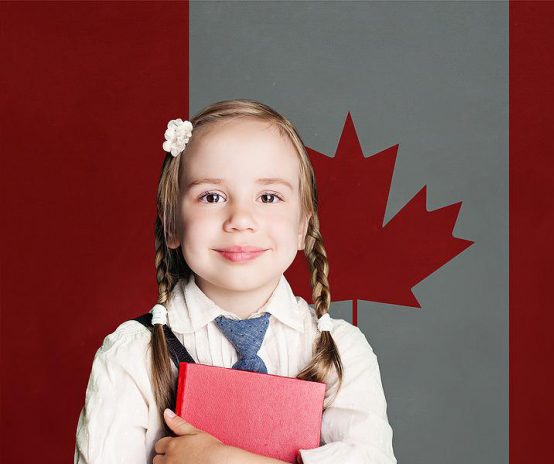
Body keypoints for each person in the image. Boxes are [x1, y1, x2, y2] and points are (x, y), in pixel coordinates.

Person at [73, 99, 397, 464]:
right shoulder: (132, 355)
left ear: (304, 224)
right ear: (172, 224)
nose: (241, 219)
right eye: (212, 197)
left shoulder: (342, 352)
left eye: (268, 197)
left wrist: (222, 460)